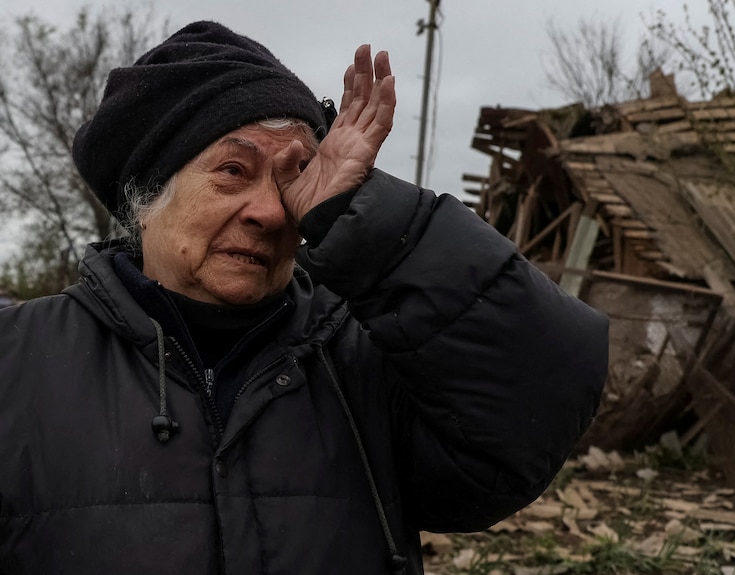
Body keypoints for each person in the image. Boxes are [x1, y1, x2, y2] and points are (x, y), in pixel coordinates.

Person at [0, 20, 608, 575]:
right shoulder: (19, 362)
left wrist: (367, 221)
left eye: (294, 177)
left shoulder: (363, 360)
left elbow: (536, 405)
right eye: (233, 171)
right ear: (145, 198)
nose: (270, 211)